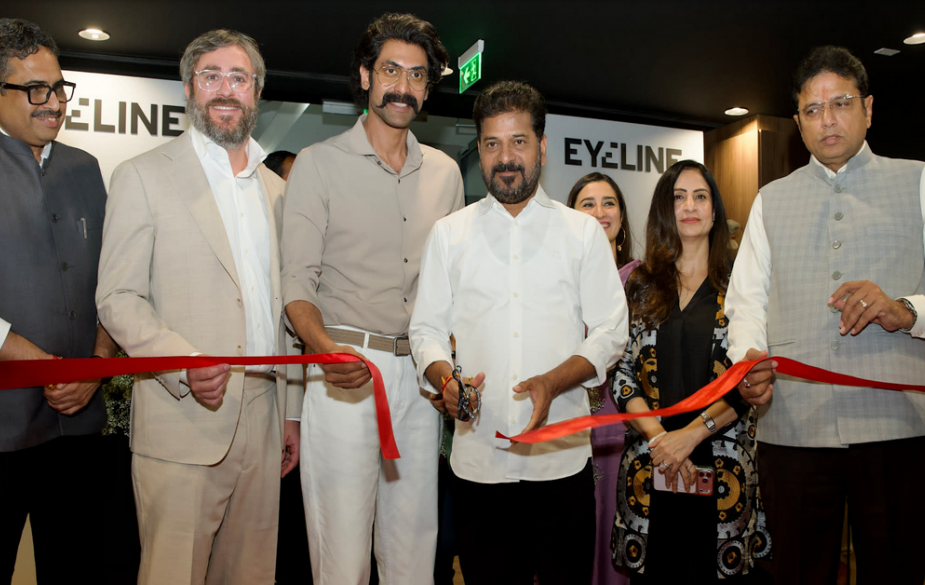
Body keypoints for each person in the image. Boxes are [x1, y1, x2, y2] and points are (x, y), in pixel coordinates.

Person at [727, 45, 925, 584]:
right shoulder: (770, 199)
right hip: (794, 429)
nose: (827, 119)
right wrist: (748, 359)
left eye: (841, 103)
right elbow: (746, 302)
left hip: (897, 426)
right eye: (812, 109)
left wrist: (906, 310)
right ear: (799, 121)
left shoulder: (922, 181)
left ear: (868, 109)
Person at [96, 29, 300, 584]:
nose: (226, 90)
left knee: (251, 575)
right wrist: (183, 362)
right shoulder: (142, 176)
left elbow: (287, 312)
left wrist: (292, 415)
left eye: (239, 78)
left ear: (257, 92)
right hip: (182, 416)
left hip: (265, 417)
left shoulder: (279, 192)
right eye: (211, 77)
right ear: (188, 89)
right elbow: (117, 297)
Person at [410, 80, 628, 584]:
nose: (505, 157)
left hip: (561, 464)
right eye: (492, 144)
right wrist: (445, 379)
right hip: (478, 465)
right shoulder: (449, 234)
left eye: (519, 142)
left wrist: (554, 382)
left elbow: (611, 331)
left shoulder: (582, 234)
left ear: (542, 147)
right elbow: (426, 330)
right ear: (479, 150)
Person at [0, 18, 117, 585]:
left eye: (58, 87)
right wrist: (48, 367)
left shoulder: (86, 168)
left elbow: (113, 286)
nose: (54, 103)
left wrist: (96, 365)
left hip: (78, 429)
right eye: (35, 90)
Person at [281, 13, 462, 584]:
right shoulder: (317, 164)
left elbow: (453, 291)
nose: (403, 87)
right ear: (365, 76)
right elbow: (296, 282)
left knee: (413, 554)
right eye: (390, 71)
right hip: (344, 373)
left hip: (420, 380)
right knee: (341, 555)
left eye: (417, 75)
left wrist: (448, 371)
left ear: (427, 89)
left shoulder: (447, 174)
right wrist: (323, 350)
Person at [608, 160, 767, 582]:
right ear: (665, 209)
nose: (690, 206)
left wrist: (691, 436)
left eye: (700, 196)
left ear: (715, 209)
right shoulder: (640, 284)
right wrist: (662, 440)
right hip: (652, 462)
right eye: (678, 198)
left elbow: (749, 378)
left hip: (723, 463)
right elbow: (622, 374)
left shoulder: (741, 283)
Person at [567, 171, 638, 585]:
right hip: (567, 424)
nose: (599, 212)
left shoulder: (643, 281)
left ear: (622, 217)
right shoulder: (557, 285)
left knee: (619, 523)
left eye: (608, 203)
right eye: (587, 204)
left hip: (625, 427)